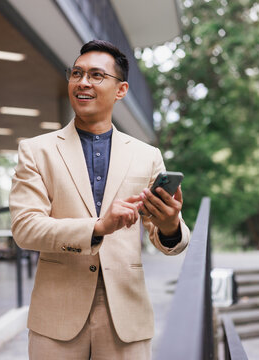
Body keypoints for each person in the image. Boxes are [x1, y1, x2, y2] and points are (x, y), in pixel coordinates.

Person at [10, 40, 190, 359]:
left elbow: (170, 242)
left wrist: (169, 225)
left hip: (127, 318)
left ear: (120, 90)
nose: (83, 82)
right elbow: (25, 229)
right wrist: (97, 227)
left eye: (96, 75)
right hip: (56, 320)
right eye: (76, 73)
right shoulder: (35, 151)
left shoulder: (147, 156)